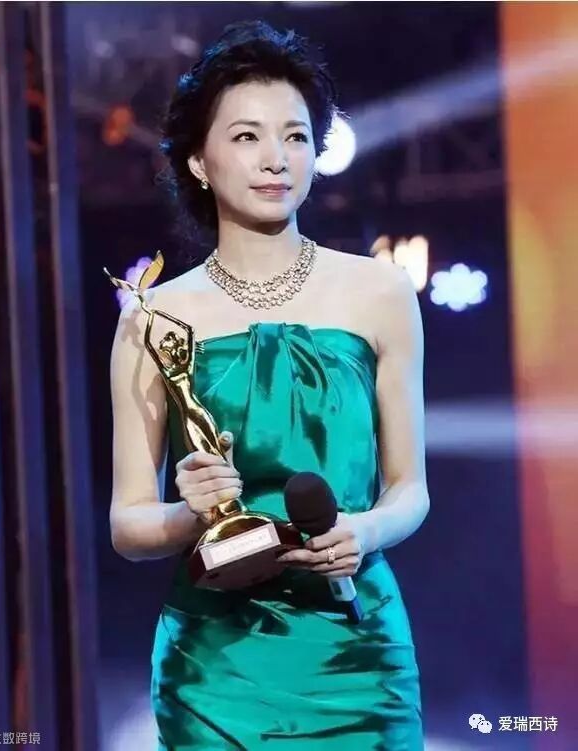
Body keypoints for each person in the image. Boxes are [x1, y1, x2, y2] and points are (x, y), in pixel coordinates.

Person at [109, 20, 429, 750]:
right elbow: (128, 525)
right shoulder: (153, 317)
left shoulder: (379, 292)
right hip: (217, 661)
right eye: (247, 136)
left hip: (356, 650)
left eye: (295, 136)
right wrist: (193, 514)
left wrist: (364, 531)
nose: (276, 158)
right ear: (199, 161)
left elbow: (410, 488)